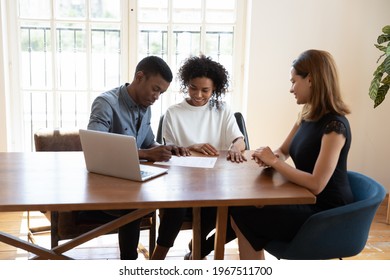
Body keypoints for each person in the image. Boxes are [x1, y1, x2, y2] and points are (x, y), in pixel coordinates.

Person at [230, 49, 353, 259]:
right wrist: (270, 157)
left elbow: (317, 184)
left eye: (294, 81)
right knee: (243, 206)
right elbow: (283, 151)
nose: (291, 89)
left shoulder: (335, 126)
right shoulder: (306, 115)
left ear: (311, 80)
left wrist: (275, 163)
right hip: (306, 199)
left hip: (326, 212)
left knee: (243, 213)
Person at [87, 55, 190, 260]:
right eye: (155, 89)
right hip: (106, 184)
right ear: (139, 77)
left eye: (161, 92)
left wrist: (166, 148)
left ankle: (157, 260)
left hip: (136, 181)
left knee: (178, 203)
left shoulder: (146, 107)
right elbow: (94, 147)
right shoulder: (106, 103)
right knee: (132, 204)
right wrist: (146, 154)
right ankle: (129, 263)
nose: (156, 96)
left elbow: (148, 143)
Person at [150, 54, 247, 260]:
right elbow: (169, 150)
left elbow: (240, 140)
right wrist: (190, 146)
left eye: (205, 90)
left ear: (215, 89)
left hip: (216, 183)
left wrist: (235, 149)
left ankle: (200, 247)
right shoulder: (173, 113)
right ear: (187, 84)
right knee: (177, 207)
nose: (198, 94)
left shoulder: (222, 110)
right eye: (193, 87)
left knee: (242, 213)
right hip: (182, 182)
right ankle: (158, 259)